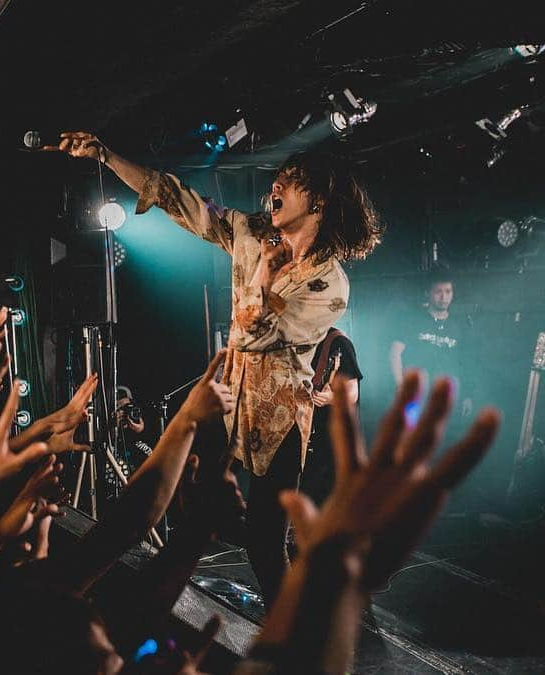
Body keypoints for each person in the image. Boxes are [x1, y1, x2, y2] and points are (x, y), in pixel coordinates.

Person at [46, 132, 383, 607]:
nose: (275, 188)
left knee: (265, 544)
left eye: (291, 181)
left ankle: (296, 645)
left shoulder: (330, 285)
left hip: (281, 420)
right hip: (228, 400)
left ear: (320, 203)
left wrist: (264, 272)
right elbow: (175, 198)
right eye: (278, 179)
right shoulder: (251, 234)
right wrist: (107, 154)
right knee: (194, 522)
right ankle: (138, 614)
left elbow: (252, 333)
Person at [390, 272, 474, 419]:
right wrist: (400, 386)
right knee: (415, 438)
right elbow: (394, 353)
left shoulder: (460, 325)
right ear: (428, 293)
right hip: (416, 397)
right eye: (438, 292)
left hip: (447, 399)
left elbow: (466, 363)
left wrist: (467, 396)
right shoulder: (413, 320)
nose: (444, 297)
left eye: (448, 291)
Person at [299, 327, 363, 505]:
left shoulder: (337, 343)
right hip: (303, 437)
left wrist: (331, 398)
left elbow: (352, 393)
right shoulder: (297, 339)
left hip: (330, 439)